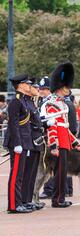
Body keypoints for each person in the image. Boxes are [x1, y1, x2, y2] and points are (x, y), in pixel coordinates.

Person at [45, 62, 80, 208]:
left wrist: (75, 142)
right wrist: (53, 144)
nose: (69, 89)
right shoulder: (52, 103)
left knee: (63, 173)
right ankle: (57, 199)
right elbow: (52, 126)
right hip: (59, 142)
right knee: (59, 173)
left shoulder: (62, 103)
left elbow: (65, 127)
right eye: (67, 87)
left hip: (65, 140)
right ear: (61, 87)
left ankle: (60, 198)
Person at [4, 74, 34, 214]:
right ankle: (13, 205)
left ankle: (19, 201)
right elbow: (13, 124)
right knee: (15, 174)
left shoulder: (22, 100)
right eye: (27, 84)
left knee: (20, 175)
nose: (29, 86)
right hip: (18, 142)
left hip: (24, 141)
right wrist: (17, 143)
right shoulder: (16, 101)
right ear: (21, 85)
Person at [21, 78, 45, 211]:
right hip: (30, 140)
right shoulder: (25, 102)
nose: (38, 90)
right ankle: (24, 200)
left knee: (33, 172)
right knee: (27, 172)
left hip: (36, 141)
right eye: (36, 88)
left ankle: (29, 199)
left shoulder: (32, 102)